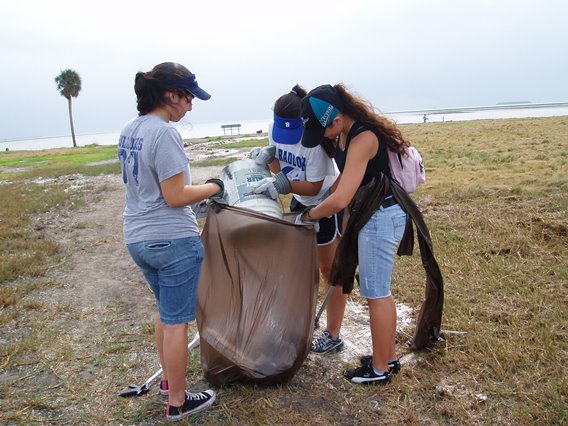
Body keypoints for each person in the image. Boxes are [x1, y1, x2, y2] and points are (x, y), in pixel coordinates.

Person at [117, 62, 220, 420]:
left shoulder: (130, 130)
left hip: (138, 238)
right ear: (170, 95)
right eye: (188, 97)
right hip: (172, 240)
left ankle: (167, 381)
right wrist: (215, 187)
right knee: (177, 321)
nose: (190, 105)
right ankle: (178, 401)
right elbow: (175, 196)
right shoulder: (164, 134)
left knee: (166, 313)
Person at [296, 84, 410, 385]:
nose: (323, 139)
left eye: (322, 132)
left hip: (381, 217)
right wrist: (320, 200)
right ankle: (388, 357)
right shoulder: (343, 133)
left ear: (335, 120)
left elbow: (342, 197)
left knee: (376, 294)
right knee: (378, 292)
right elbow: (341, 185)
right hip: (370, 216)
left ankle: (380, 369)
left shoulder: (364, 138)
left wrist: (309, 215)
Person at [250, 85, 347, 354]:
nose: (286, 139)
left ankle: (333, 334)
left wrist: (283, 184)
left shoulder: (314, 146)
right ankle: (301, 319)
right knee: (300, 267)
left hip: (324, 204)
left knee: (329, 271)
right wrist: (269, 161)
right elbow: (279, 164)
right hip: (298, 203)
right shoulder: (277, 130)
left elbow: (315, 187)